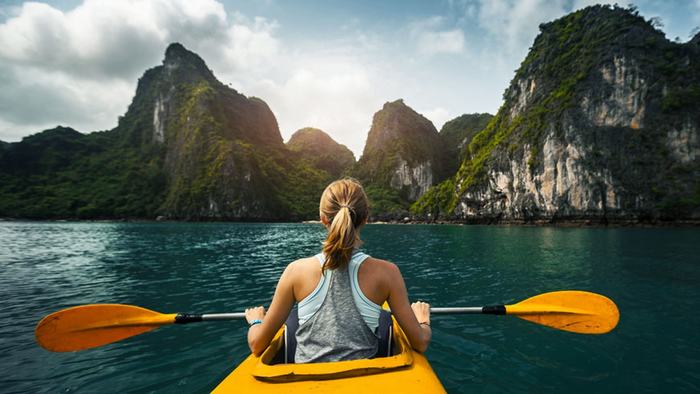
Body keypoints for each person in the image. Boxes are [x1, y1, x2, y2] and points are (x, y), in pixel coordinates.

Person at [244, 178, 431, 362]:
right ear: (365, 219)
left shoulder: (295, 271)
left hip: (305, 383)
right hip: (363, 382)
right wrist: (422, 320)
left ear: (323, 219)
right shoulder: (387, 273)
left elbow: (257, 344)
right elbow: (420, 343)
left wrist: (257, 321)